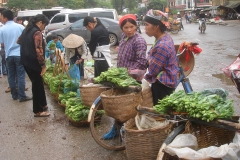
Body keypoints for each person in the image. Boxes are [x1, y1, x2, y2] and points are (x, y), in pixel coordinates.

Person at [144, 9, 179, 105]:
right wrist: (150, 59)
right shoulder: (163, 37)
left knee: (161, 114)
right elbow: (150, 55)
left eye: (147, 25)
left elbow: (152, 70)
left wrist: (150, 60)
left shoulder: (162, 45)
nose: (144, 28)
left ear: (156, 27)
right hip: (166, 81)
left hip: (163, 84)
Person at [19, 14, 50, 117]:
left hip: (25, 61)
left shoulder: (26, 30)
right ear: (40, 22)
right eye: (44, 25)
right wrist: (43, 66)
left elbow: (18, 41)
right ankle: (38, 110)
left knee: (38, 83)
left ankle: (43, 104)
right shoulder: (37, 32)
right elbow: (39, 52)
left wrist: (27, 47)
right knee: (36, 85)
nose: (43, 28)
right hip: (33, 62)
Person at [0, 10, 31, 102]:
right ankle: (22, 96)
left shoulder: (2, 29)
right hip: (19, 54)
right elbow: (26, 40)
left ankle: (14, 95)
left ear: (5, 17)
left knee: (11, 75)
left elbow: (2, 44)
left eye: (1, 16)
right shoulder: (20, 27)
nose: (0, 18)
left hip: (8, 55)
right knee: (21, 75)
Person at [117, 14, 148, 83]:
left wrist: (128, 72)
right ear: (122, 28)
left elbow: (142, 61)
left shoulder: (139, 41)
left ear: (136, 26)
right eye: (126, 27)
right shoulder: (124, 36)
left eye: (132, 27)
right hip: (122, 76)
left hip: (132, 79)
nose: (129, 30)